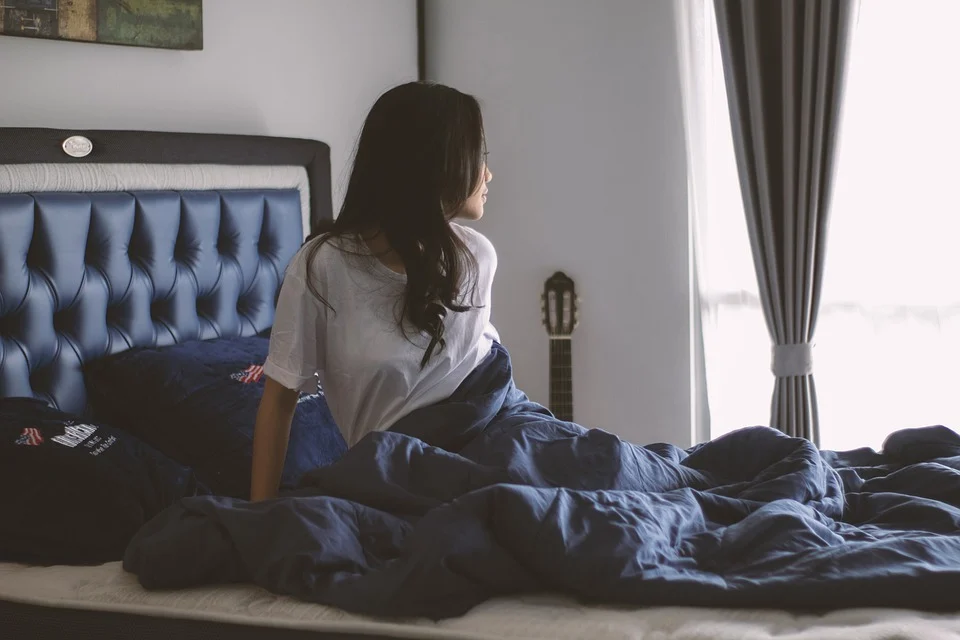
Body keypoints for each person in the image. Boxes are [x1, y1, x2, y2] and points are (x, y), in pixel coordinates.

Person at [250, 82, 498, 501]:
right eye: (479, 158)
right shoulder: (322, 267)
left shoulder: (475, 256)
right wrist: (258, 519)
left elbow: (480, 379)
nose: (487, 173)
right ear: (435, 162)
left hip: (496, 438)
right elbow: (278, 402)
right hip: (397, 474)